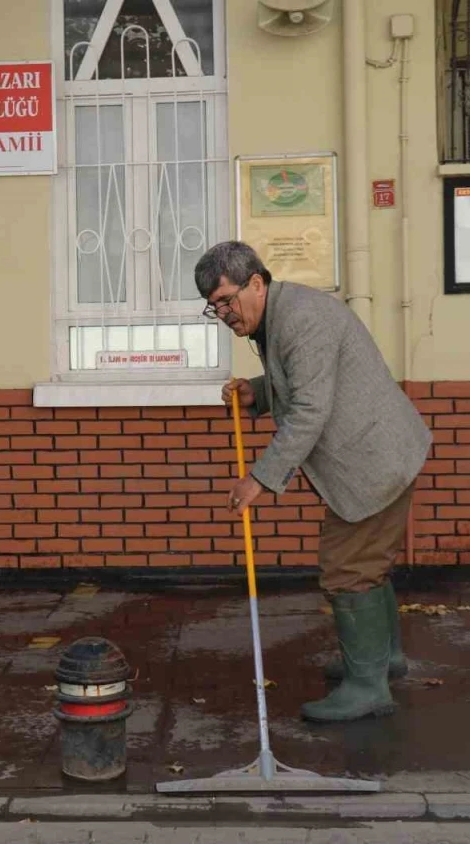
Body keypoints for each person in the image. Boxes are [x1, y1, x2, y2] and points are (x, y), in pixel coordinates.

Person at [194, 241, 432, 723]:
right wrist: (255, 394)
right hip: (374, 455)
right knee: (367, 562)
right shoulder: (282, 314)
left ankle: (368, 687)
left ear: (256, 283)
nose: (221, 313)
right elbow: (304, 383)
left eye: (226, 300)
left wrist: (259, 479)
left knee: (348, 568)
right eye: (212, 306)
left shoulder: (301, 320)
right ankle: (383, 660)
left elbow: (309, 409)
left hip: (373, 461)